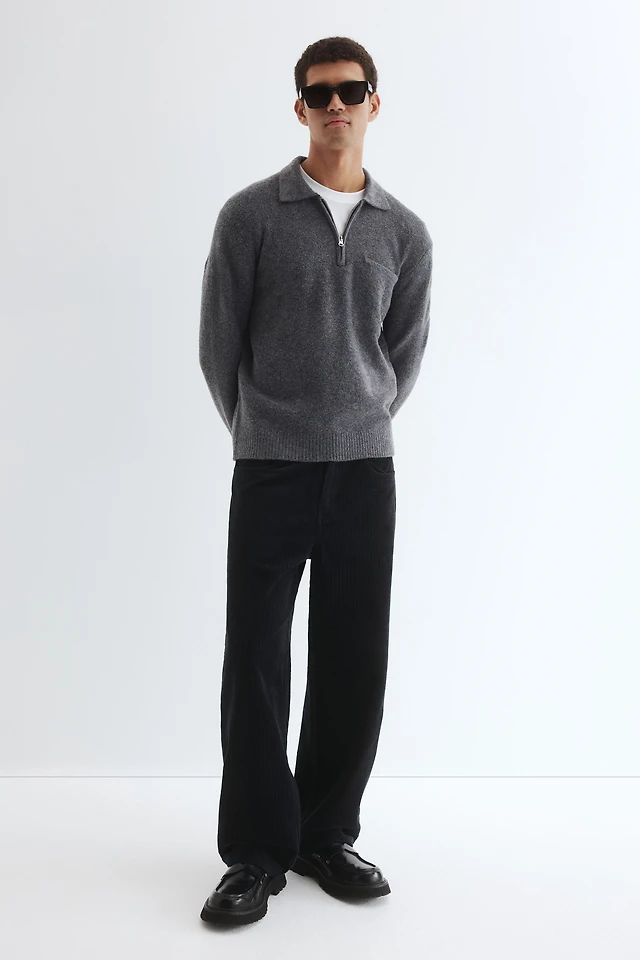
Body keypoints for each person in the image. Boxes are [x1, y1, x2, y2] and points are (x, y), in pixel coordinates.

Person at [198, 35, 433, 926]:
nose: (337, 105)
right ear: (300, 106)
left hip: (365, 467)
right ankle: (255, 854)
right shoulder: (250, 215)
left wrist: (359, 419)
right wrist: (260, 429)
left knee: (353, 654)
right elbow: (219, 346)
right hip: (271, 464)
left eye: (351, 90)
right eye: (320, 92)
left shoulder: (405, 232)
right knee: (256, 655)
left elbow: (402, 354)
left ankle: (325, 834)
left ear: (374, 102)